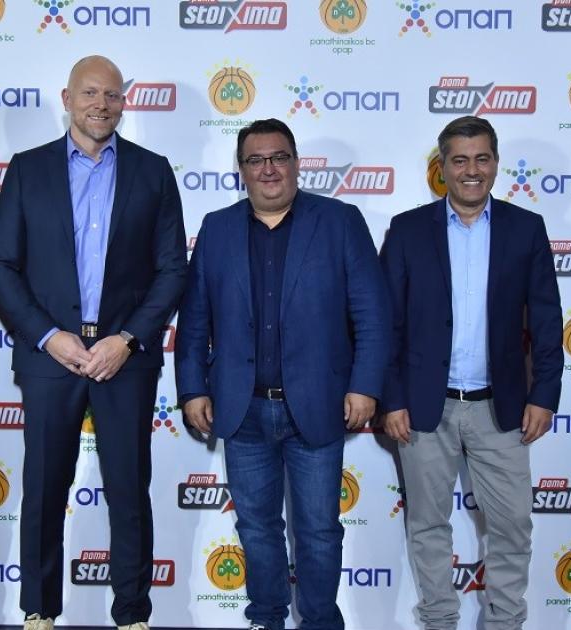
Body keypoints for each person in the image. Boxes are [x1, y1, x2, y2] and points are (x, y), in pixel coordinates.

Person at [0, 55, 186, 630]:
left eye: (113, 95)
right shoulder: (28, 170)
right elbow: (1, 265)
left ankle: (132, 616)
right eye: (91, 93)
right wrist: (49, 337)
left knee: (128, 489)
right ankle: (39, 612)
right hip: (51, 358)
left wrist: (128, 338)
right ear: (68, 98)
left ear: (124, 102)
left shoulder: (153, 172)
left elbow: (172, 269)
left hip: (125, 357)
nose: (102, 104)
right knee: (44, 489)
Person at [175, 118, 390, 630]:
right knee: (256, 528)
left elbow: (372, 314)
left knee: (318, 532)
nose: (268, 169)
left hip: (317, 405)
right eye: (256, 160)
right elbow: (195, 319)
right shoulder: (217, 228)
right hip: (241, 408)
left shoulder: (339, 221)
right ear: (241, 169)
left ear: (296, 164)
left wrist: (364, 385)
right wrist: (192, 389)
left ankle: (319, 623)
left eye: (279, 157)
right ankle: (266, 619)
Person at [379, 116, 562, 630]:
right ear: (442, 168)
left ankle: (505, 623)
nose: (471, 170)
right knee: (427, 525)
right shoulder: (408, 229)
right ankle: (440, 621)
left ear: (496, 164)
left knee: (513, 526)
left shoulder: (526, 228)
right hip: (424, 407)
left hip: (501, 407)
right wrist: (392, 398)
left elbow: (547, 319)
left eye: (482, 158)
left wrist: (544, 394)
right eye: (459, 160)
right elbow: (386, 323)